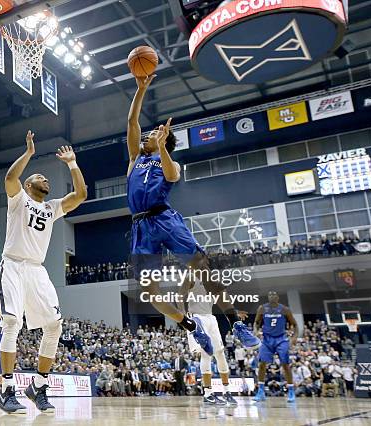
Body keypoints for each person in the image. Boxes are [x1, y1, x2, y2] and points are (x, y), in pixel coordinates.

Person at [125, 75, 258, 353]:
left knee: (202, 266)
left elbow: (172, 175)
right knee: (150, 293)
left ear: (163, 144)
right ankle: (190, 326)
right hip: (140, 227)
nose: (147, 136)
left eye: (153, 136)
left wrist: (162, 147)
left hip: (164, 219)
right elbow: (131, 123)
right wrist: (140, 89)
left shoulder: (169, 162)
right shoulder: (135, 160)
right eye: (148, 136)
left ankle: (236, 324)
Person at [0, 132, 87, 414]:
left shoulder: (51, 207)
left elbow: (81, 195)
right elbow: (10, 178)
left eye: (46, 178)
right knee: (12, 322)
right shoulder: (19, 198)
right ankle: (5, 390)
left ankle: (37, 386)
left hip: (36, 270)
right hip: (12, 264)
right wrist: (28, 154)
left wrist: (72, 164)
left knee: (54, 326)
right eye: (39, 176)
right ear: (28, 184)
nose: (45, 179)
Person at [180, 278, 244, 406]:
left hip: (211, 318)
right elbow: (179, 296)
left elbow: (223, 300)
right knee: (206, 353)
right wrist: (182, 317)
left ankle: (227, 392)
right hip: (197, 317)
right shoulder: (191, 277)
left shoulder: (212, 281)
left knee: (220, 354)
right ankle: (208, 394)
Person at [253, 291, 299, 403]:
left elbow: (295, 324)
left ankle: (291, 391)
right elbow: (256, 322)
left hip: (281, 339)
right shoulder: (262, 308)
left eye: (274, 295)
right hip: (267, 339)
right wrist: (255, 331)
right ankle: (261, 391)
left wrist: (294, 338)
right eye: (269, 294)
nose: (271, 296)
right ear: (268, 297)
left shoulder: (284, 309)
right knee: (262, 364)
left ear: (278, 297)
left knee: (285, 364)